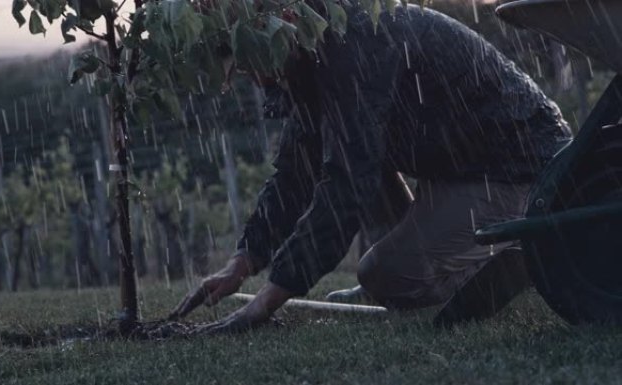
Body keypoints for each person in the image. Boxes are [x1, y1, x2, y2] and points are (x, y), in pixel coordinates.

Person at [168, 2, 572, 333]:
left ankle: (517, 254)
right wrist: (241, 264)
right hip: (462, 169)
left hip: (519, 168)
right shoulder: (313, 51)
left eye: (252, 62)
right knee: (354, 164)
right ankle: (409, 275)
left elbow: (346, 182)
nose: (255, 80)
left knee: (383, 273)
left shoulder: (355, 45)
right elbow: (296, 173)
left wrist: (268, 299)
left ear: (284, 23)